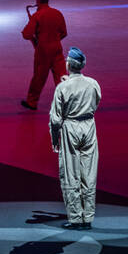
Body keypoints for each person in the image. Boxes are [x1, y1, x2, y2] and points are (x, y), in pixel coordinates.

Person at [50, 47, 101, 230]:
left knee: (71, 174)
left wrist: (54, 139)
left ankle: (76, 218)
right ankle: (88, 217)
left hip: (70, 127)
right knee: (89, 173)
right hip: (89, 126)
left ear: (68, 65)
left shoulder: (62, 88)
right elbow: (96, 101)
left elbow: (55, 119)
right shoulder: (93, 83)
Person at [20, 0, 68, 111]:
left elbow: (26, 34)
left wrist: (37, 38)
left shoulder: (37, 15)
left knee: (39, 78)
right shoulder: (57, 13)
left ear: (38, 0)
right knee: (61, 77)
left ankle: (32, 102)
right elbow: (64, 33)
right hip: (57, 48)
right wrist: (54, 39)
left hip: (43, 50)